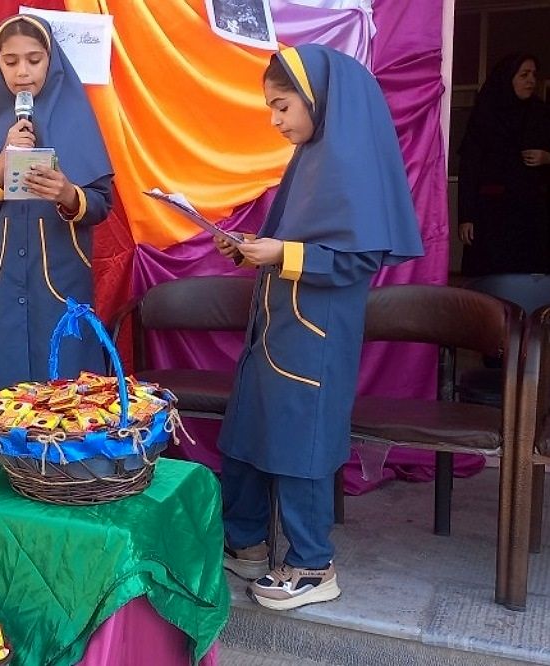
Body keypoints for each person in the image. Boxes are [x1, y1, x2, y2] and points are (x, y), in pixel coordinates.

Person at [214, 45, 424, 611]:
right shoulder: (310, 159)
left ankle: (312, 565)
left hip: (316, 332)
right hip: (276, 323)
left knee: (300, 444)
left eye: (282, 106)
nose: (275, 120)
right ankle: (247, 543)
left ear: (318, 99)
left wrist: (278, 252)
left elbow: (355, 261)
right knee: (250, 432)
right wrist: (250, 251)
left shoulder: (348, 163)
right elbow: (291, 246)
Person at [0, 14, 114, 405]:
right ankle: (9, 464)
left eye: (34, 59)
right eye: (10, 62)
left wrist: (67, 193)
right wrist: (0, 162)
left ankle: (66, 463)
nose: (22, 73)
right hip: (4, 281)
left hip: (61, 281)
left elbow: (100, 205)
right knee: (5, 392)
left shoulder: (76, 116)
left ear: (51, 61)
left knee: (66, 388)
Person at [458, 53, 550, 276]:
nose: (530, 81)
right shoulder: (486, 113)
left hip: (533, 214)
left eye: (533, 75)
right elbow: (470, 166)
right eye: (524, 75)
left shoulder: (541, 113)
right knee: (492, 278)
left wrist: (547, 158)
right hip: (492, 213)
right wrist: (466, 216)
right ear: (508, 78)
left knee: (531, 277)